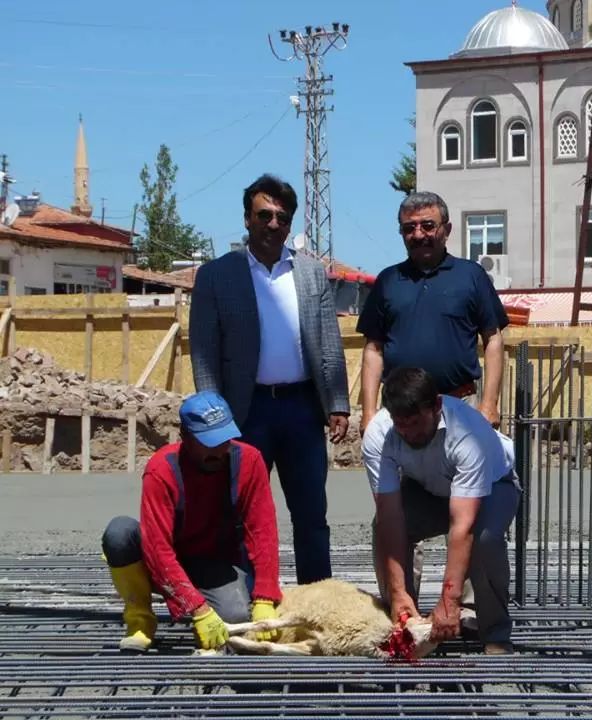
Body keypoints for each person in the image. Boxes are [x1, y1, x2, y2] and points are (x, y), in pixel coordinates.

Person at [189, 173, 351, 585]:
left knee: (311, 513)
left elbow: (329, 341)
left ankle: (317, 598)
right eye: (265, 214)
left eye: (282, 216)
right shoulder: (216, 276)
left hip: (301, 410)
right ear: (247, 218)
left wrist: (337, 403)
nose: (273, 223)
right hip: (246, 413)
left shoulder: (313, 274)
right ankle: (245, 597)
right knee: (241, 511)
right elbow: (204, 352)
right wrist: (212, 419)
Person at [101, 391, 282, 653]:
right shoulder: (161, 469)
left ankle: (211, 602)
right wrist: (197, 609)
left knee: (234, 620)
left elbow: (263, 530)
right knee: (119, 533)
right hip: (159, 564)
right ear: (185, 437)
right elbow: (157, 548)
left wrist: (265, 595)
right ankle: (140, 621)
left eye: (224, 440)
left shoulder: (249, 461)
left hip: (212, 562)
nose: (219, 450)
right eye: (208, 443)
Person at [361, 366, 521, 656]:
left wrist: (450, 600)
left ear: (436, 405)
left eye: (415, 423)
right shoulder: (379, 434)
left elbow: (462, 527)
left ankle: (495, 632)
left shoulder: (469, 434)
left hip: (494, 485)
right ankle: (404, 619)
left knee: (485, 539)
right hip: (430, 487)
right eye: (401, 424)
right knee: (382, 526)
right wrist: (397, 592)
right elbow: (390, 514)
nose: (408, 433)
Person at [356, 190, 509, 433]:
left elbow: (493, 339)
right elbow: (373, 349)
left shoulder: (471, 276)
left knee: (463, 472)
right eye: (409, 228)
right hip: (400, 414)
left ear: (446, 231)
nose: (418, 234)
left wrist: (489, 404)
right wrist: (369, 412)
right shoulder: (387, 281)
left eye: (428, 226)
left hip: (459, 407)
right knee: (400, 473)